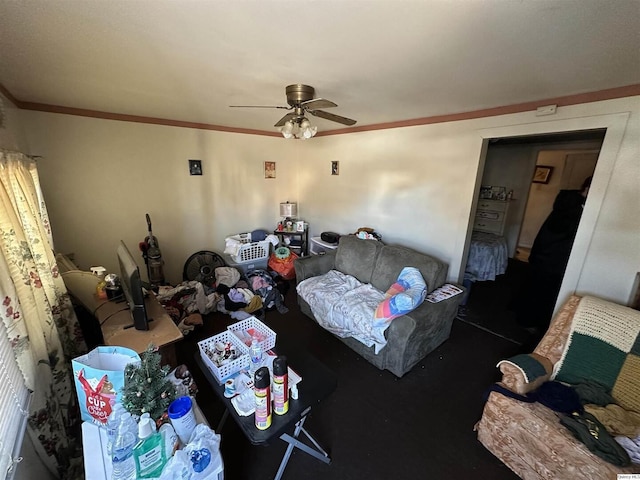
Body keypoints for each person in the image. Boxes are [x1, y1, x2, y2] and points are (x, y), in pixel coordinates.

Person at [514, 176, 592, 336]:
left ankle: (531, 319)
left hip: (551, 257)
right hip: (550, 258)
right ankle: (528, 321)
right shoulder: (570, 207)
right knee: (539, 290)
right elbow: (558, 235)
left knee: (540, 289)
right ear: (587, 188)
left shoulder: (573, 205)